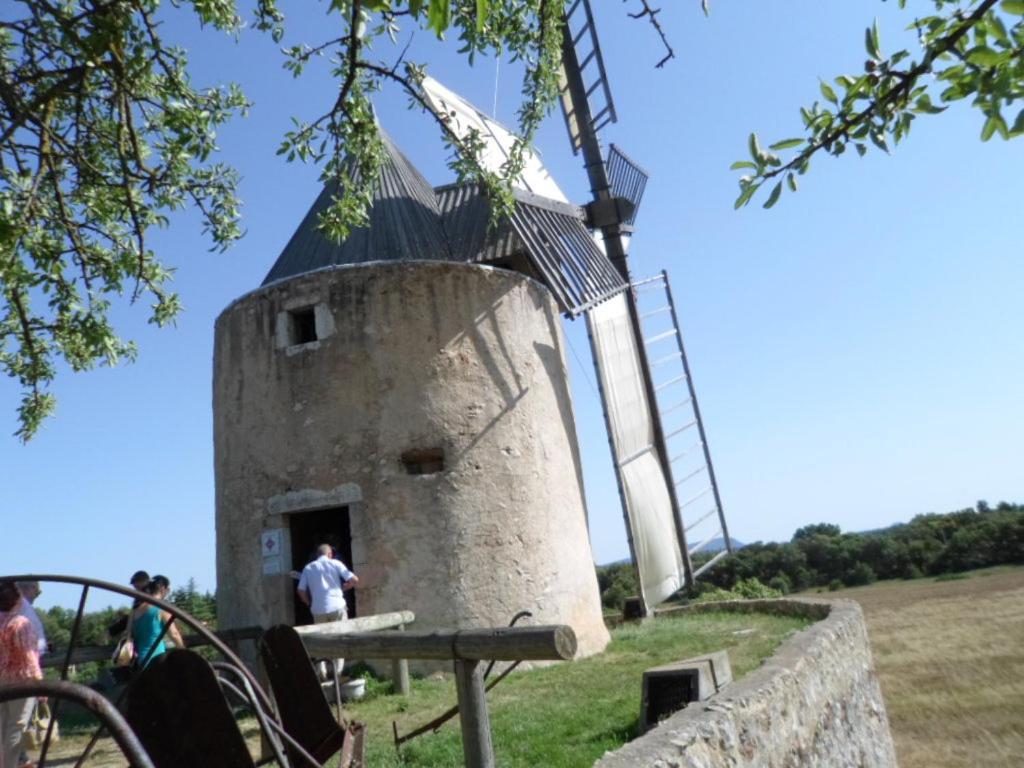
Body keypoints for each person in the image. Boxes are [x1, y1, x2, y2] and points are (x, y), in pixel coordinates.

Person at [297, 545, 359, 678]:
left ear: (317, 555)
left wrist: (308, 602)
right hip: (337, 607)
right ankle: (337, 673)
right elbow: (354, 580)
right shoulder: (336, 563)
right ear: (330, 554)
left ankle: (322, 672)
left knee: (320, 640)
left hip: (318, 610)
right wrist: (345, 587)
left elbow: (300, 590)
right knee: (339, 638)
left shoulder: (308, 568)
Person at [0, 580, 42, 768]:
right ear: (17, 599)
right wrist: (40, 685)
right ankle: (9, 765)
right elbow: (29, 658)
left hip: (2, 679)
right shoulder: (21, 624)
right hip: (21, 680)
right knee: (17, 726)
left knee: (3, 725)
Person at [131, 576, 184, 669]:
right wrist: (184, 651)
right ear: (163, 589)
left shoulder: (136, 610)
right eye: (168, 589)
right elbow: (174, 634)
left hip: (140, 660)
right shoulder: (162, 608)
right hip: (156, 658)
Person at [107, 571, 151, 639]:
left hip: (144, 622)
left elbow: (138, 612)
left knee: (121, 624)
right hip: (141, 619)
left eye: (136, 583)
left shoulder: (146, 594)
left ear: (142, 581)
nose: (135, 586)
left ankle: (109, 633)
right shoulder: (143, 594)